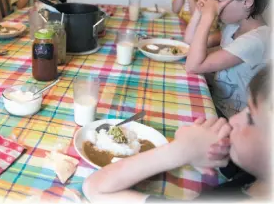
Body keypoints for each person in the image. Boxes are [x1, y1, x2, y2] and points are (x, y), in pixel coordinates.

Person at [83, 65, 271, 202]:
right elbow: (193, 138)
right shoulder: (254, 173)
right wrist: (196, 144)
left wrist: (180, 151)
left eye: (252, 119)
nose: (234, 120)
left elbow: (95, 188)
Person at [185, 0, 271, 119]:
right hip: (215, 104)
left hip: (234, 119)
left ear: (247, 2)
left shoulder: (256, 40)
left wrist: (207, 16)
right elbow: (190, 43)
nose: (215, 7)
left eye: (219, 0)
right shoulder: (233, 28)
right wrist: (199, 10)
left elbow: (193, 66)